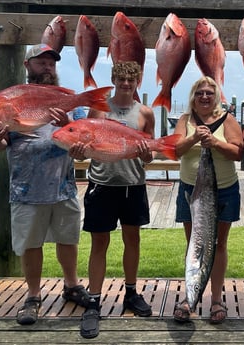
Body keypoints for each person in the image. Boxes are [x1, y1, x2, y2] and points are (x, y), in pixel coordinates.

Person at [0, 43, 90, 326]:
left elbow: (84, 145)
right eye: (41, 62)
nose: (48, 67)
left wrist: (70, 128)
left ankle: (71, 285)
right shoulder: (13, 100)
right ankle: (33, 295)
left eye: (51, 63)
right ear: (27, 65)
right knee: (31, 243)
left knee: (68, 239)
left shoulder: (70, 101)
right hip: (26, 189)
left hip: (63, 187)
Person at [69, 61, 155, 339]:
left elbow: (150, 154)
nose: (126, 85)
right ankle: (94, 299)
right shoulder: (99, 109)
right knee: (99, 244)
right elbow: (83, 151)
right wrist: (79, 152)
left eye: (131, 80)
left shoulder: (145, 113)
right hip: (101, 185)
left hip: (133, 185)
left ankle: (131, 292)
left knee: (133, 240)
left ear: (137, 82)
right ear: (114, 80)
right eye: (121, 80)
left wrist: (146, 153)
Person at [172, 76, 243, 324]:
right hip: (191, 191)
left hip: (223, 190)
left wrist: (214, 142)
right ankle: (189, 297)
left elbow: (239, 152)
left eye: (209, 93)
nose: (204, 97)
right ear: (193, 96)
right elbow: (175, 150)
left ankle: (215, 299)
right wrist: (193, 138)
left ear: (216, 97)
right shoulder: (184, 120)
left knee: (219, 244)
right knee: (194, 244)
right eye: (200, 93)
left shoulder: (228, 120)